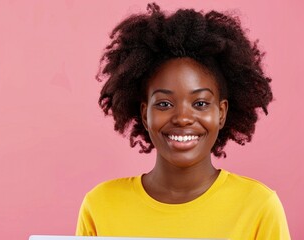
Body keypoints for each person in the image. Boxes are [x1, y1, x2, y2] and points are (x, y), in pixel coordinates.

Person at [76, 3, 290, 239]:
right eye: (164, 104)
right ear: (145, 114)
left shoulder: (259, 207)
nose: (183, 118)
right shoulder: (100, 205)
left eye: (200, 103)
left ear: (221, 113)